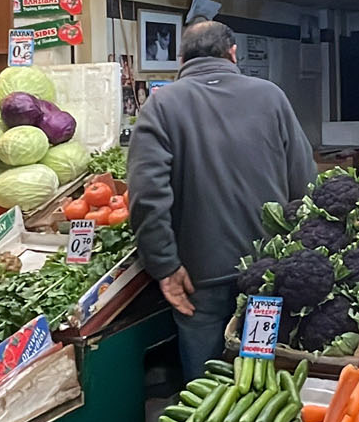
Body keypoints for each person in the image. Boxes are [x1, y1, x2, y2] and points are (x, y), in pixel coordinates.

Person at [129, 20, 316, 379]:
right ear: (233, 53)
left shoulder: (161, 104)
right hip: (268, 272)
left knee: (206, 391)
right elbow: (304, 184)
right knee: (264, 380)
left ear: (181, 59)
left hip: (199, 277)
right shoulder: (271, 96)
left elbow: (146, 194)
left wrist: (164, 266)